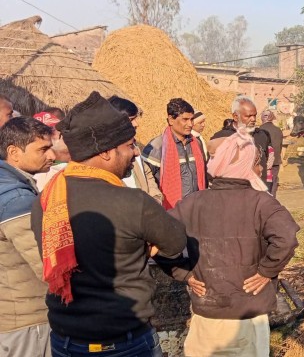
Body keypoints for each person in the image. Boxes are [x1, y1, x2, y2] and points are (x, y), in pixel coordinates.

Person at [30, 92, 188, 357]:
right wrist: (145, 246)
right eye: (129, 145)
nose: (136, 152)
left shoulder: (46, 200)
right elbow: (176, 242)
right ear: (105, 152)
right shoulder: (133, 202)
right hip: (125, 343)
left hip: (65, 340)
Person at [170, 129, 298, 356]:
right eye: (256, 163)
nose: (260, 169)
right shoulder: (263, 203)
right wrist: (266, 271)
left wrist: (184, 273)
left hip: (207, 312)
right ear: (244, 166)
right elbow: (286, 238)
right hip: (249, 315)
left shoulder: (192, 203)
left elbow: (158, 238)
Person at [0, 117, 55, 357]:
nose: (52, 155)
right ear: (14, 152)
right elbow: (45, 264)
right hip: (28, 321)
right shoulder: (16, 198)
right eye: (43, 149)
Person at [142, 98, 207, 209]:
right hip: (169, 210)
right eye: (185, 119)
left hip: (195, 208)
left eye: (192, 119)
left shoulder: (196, 143)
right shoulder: (157, 146)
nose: (190, 124)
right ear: (171, 119)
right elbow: (145, 180)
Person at [108, 96, 163, 203]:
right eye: (131, 120)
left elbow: (146, 172)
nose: (136, 124)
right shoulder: (107, 152)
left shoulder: (134, 145)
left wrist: (155, 198)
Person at [209, 96, 271, 183]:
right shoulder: (221, 138)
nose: (253, 119)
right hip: (232, 189)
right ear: (235, 116)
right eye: (248, 116)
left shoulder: (262, 136)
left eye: (255, 115)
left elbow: (266, 161)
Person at [32, 109, 70, 191]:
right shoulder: (37, 173)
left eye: (51, 130)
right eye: (39, 134)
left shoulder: (85, 160)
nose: (46, 137)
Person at [259, 108, 283, 196]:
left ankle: (264, 199)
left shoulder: (259, 130)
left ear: (262, 118)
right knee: (274, 180)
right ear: (272, 117)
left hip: (263, 161)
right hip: (276, 160)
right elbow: (280, 146)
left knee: (263, 182)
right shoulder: (278, 130)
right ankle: (272, 198)